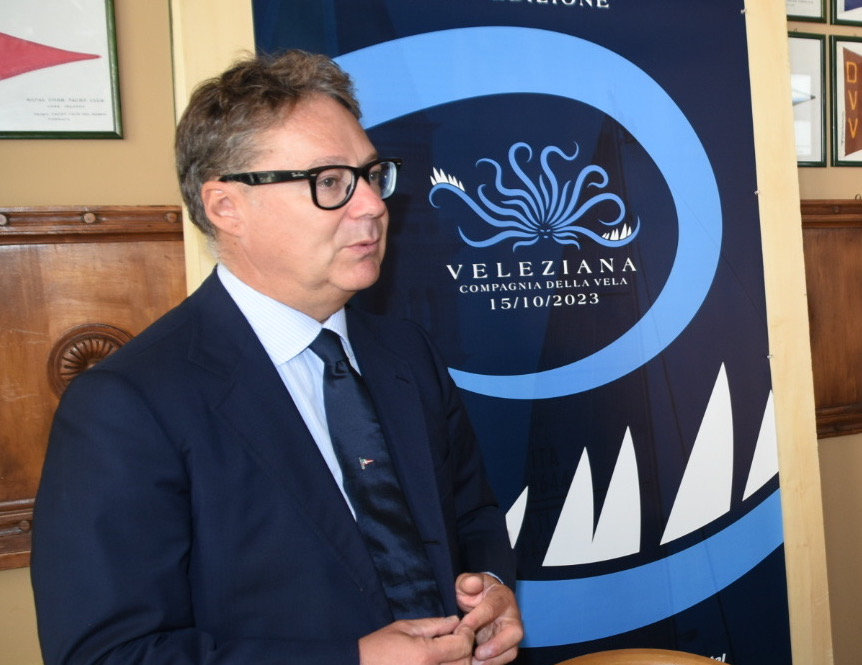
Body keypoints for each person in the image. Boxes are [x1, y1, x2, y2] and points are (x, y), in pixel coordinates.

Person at [31, 49, 523, 665]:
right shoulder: (128, 404)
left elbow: (472, 516)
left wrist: (490, 590)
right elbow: (108, 654)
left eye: (372, 174)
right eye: (330, 182)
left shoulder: (407, 352)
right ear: (226, 207)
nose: (373, 205)